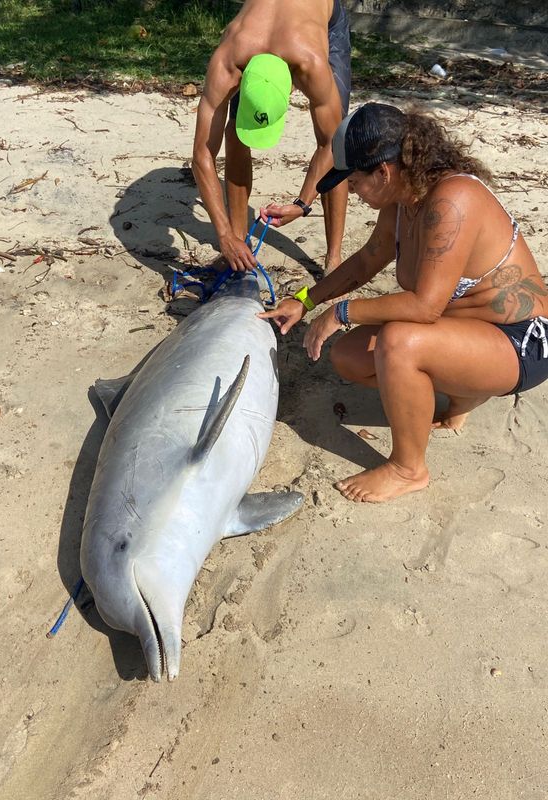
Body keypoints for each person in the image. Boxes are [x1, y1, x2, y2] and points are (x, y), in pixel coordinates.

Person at [259, 102, 548, 503]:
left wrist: (342, 312)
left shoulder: (453, 199)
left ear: (384, 171)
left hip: (522, 343)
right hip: (467, 333)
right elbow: (365, 261)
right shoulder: (402, 200)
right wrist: (304, 301)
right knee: (350, 356)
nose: (353, 192)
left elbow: (425, 308)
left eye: (354, 182)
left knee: (398, 342)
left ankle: (408, 469)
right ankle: (463, 394)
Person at [192, 0, 351, 274]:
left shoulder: (311, 65)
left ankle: (333, 258)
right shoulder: (228, 59)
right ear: (241, 79)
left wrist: (303, 203)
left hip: (322, 17)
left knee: (337, 138)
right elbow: (202, 154)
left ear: (293, 87)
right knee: (235, 132)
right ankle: (239, 242)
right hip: (257, 35)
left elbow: (332, 144)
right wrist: (225, 236)